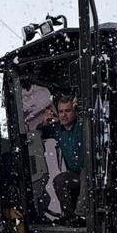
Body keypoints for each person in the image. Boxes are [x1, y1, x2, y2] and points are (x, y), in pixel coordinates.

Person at [38, 92, 84, 222]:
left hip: (89, 172)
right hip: (75, 174)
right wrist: (44, 122)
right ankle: (69, 216)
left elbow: (87, 120)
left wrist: (79, 109)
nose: (64, 115)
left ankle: (82, 216)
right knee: (60, 180)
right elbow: (39, 132)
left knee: (87, 174)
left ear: (74, 111)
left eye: (68, 111)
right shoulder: (57, 129)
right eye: (61, 111)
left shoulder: (81, 126)